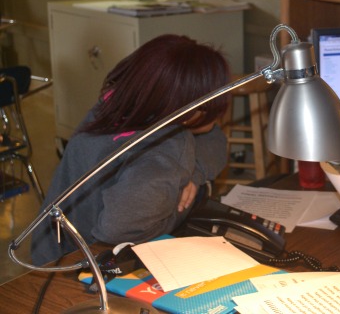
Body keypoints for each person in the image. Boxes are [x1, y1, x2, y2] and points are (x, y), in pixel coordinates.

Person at [31, 34, 231, 265]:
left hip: (47, 247)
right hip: (76, 265)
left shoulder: (118, 102)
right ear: (190, 113)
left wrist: (193, 175)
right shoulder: (166, 149)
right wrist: (177, 205)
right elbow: (118, 233)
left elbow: (214, 138)